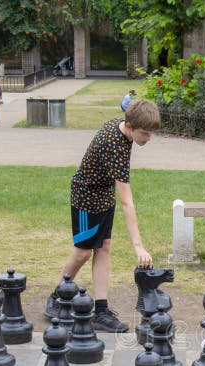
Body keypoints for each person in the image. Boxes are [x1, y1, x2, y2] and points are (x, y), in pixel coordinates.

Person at [45, 99, 161, 332]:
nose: (148, 138)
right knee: (82, 253)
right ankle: (57, 297)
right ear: (129, 126)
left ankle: (100, 310)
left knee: (104, 248)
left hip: (103, 195)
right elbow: (127, 202)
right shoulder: (115, 146)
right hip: (86, 198)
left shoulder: (124, 130)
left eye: (151, 134)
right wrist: (138, 246)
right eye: (145, 133)